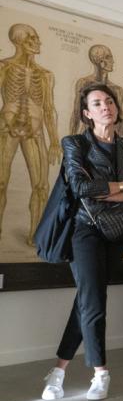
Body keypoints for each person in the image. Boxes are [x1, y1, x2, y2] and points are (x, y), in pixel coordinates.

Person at [41, 83, 123, 401]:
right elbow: (79, 187)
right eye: (98, 103)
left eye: (110, 101)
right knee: (95, 299)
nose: (107, 106)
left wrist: (116, 189)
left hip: (119, 231)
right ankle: (100, 373)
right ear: (87, 114)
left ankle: (58, 371)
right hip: (84, 230)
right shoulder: (75, 143)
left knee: (87, 298)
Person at [0, 23, 61, 246]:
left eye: (37, 38)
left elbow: (48, 109)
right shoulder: (4, 67)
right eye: (32, 39)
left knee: (41, 185)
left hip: (35, 133)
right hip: (6, 129)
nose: (37, 43)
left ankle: (35, 234)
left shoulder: (45, 75)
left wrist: (54, 140)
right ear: (18, 41)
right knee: (1, 182)